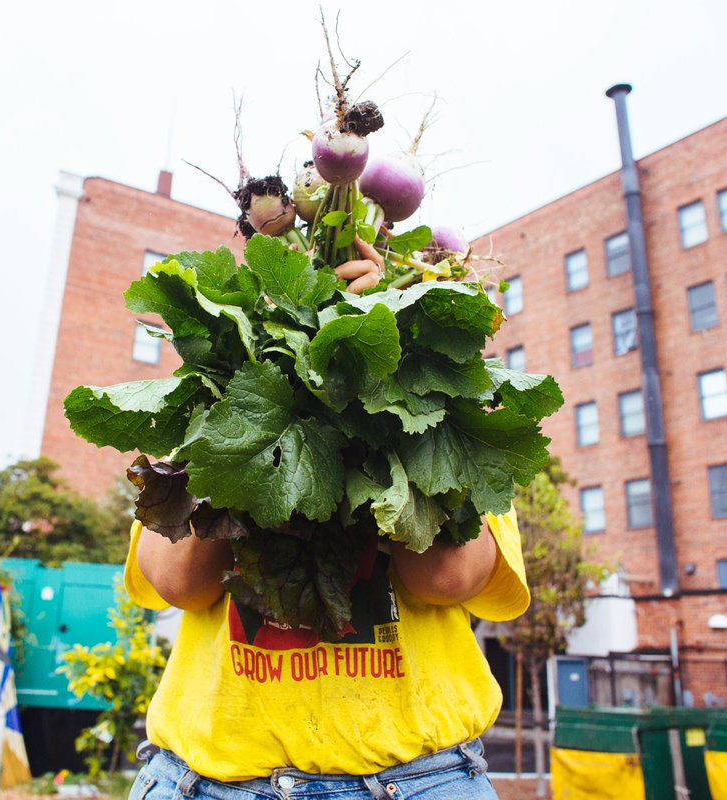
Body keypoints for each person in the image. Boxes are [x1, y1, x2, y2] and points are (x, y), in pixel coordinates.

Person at [123, 238, 531, 799]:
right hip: (208, 779)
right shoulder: (215, 400)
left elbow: (444, 578)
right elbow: (179, 582)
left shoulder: (454, 412)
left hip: (418, 779)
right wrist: (262, 369)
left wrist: (386, 359)